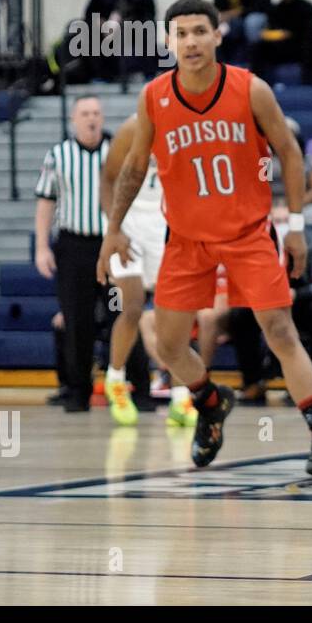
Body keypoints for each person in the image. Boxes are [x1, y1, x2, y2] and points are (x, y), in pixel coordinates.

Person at [96, 0, 312, 479]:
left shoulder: (250, 89)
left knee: (280, 330)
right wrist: (112, 230)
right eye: (181, 33)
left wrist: (294, 228)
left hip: (248, 233)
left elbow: (290, 155)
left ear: (217, 35)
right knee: (168, 346)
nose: (190, 41)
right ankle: (211, 402)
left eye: (199, 31)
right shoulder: (153, 98)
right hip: (186, 240)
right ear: (169, 41)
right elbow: (130, 168)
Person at [35, 95, 134, 412]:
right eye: (85, 113)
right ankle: (77, 392)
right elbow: (45, 202)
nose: (91, 118)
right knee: (77, 321)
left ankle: (135, 386)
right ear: (73, 120)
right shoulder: (57, 155)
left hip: (112, 246)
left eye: (96, 112)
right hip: (73, 247)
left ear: (102, 118)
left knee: (124, 313)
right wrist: (41, 246)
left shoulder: (116, 153)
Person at [100, 114, 196, 427]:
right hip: (128, 227)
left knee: (175, 315)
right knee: (132, 306)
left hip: (166, 227)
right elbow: (107, 180)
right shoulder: (132, 128)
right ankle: (115, 378)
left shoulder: (188, 132)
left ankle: (181, 398)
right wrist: (114, 230)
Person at [230, 203, 312, 402]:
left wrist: (297, 294)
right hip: (267, 299)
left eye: (285, 221)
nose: (281, 226)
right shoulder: (258, 241)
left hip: (302, 300)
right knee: (239, 314)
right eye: (276, 221)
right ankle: (253, 382)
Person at [255, 0, 312, 84]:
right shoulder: (275, 9)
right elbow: (271, 28)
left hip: (300, 44)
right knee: (259, 48)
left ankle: (310, 84)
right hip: (281, 45)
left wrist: (291, 34)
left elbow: (309, 32)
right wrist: (270, 35)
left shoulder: (306, 6)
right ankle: (259, 84)